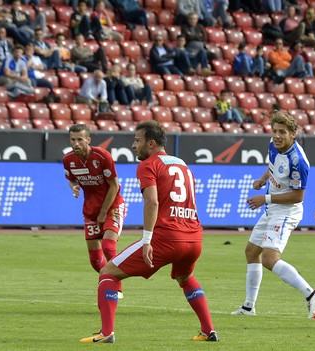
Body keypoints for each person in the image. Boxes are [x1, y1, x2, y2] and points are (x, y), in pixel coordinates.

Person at [80, 120, 218, 343]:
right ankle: (208, 330)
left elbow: (151, 203)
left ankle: (106, 333)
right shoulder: (182, 164)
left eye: (137, 140)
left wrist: (147, 240)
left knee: (107, 272)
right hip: (194, 238)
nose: (134, 145)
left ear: (151, 144)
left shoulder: (148, 165)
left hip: (167, 238)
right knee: (186, 277)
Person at [231, 111, 315, 318]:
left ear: (293, 134)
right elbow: (273, 167)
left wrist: (264, 199)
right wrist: (263, 179)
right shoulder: (274, 145)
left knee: (269, 258)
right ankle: (248, 306)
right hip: (272, 208)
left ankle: (311, 295)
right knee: (251, 252)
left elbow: (298, 196)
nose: (277, 135)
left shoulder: (298, 161)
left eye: (282, 132)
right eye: (275, 131)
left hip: (286, 211)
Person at [63, 123, 125, 297]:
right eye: (73, 140)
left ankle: (116, 289)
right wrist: (74, 187)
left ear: (88, 140)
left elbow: (114, 185)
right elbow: (72, 180)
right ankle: (110, 280)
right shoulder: (68, 160)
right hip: (90, 210)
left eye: (80, 140)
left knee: (108, 246)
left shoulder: (102, 156)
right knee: (95, 260)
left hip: (112, 206)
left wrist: (104, 211)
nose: (76, 143)